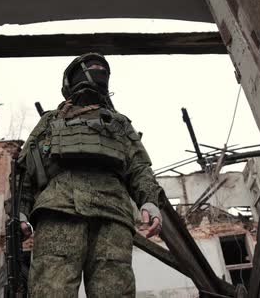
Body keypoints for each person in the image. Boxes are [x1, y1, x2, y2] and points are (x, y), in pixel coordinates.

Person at [17, 53, 165, 297]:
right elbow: (25, 170)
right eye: (91, 67)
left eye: (102, 68)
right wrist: (19, 210)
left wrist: (149, 200)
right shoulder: (51, 121)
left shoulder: (118, 123)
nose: (97, 71)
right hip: (59, 211)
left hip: (112, 216)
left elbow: (139, 167)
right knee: (51, 291)